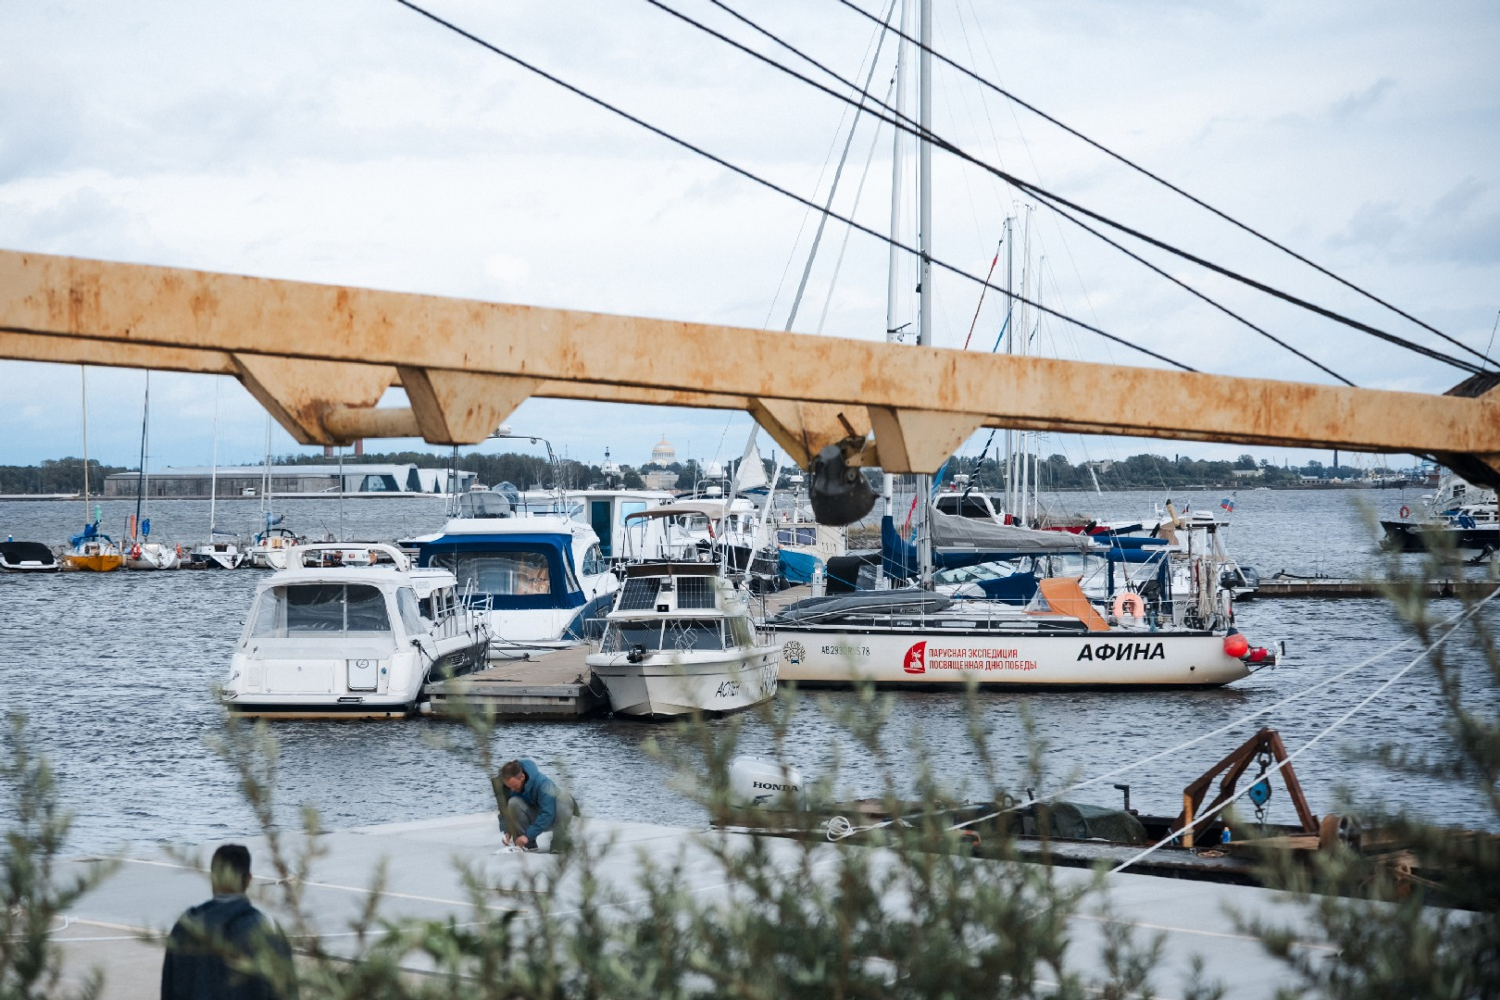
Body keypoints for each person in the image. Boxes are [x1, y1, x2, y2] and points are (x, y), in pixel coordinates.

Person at [160, 843, 295, 1000]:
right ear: (249, 879)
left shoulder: (185, 926)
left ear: (213, 877)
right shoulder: (267, 928)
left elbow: (168, 990)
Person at [492, 758, 578, 852]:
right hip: (534, 816)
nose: (512, 790)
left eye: (515, 786)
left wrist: (528, 836)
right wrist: (507, 831)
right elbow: (504, 811)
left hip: (553, 818)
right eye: (510, 787)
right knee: (513, 802)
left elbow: (548, 814)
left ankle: (559, 841)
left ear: (522, 777)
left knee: (565, 799)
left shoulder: (543, 783)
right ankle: (527, 844)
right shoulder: (506, 786)